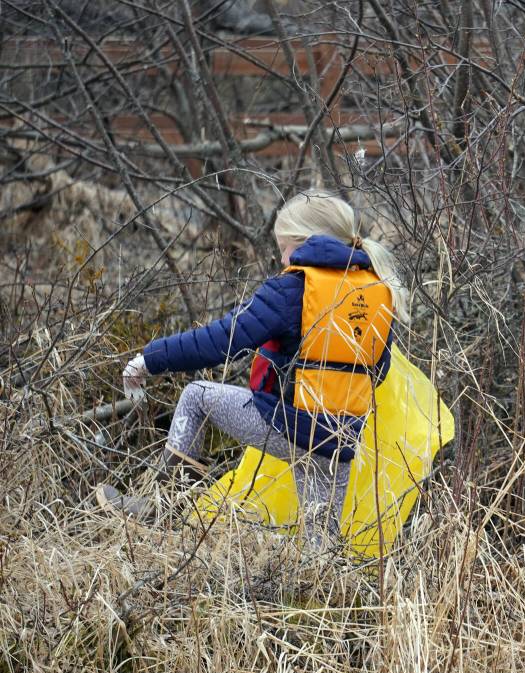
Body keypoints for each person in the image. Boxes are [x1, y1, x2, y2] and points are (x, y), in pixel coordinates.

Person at [98, 192, 409, 538]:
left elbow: (221, 341)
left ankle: (163, 507)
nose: (282, 258)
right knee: (321, 553)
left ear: (304, 242)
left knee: (197, 395)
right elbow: (377, 372)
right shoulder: (377, 293)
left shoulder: (291, 289)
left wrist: (150, 359)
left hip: (289, 427)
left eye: (283, 247)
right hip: (339, 442)